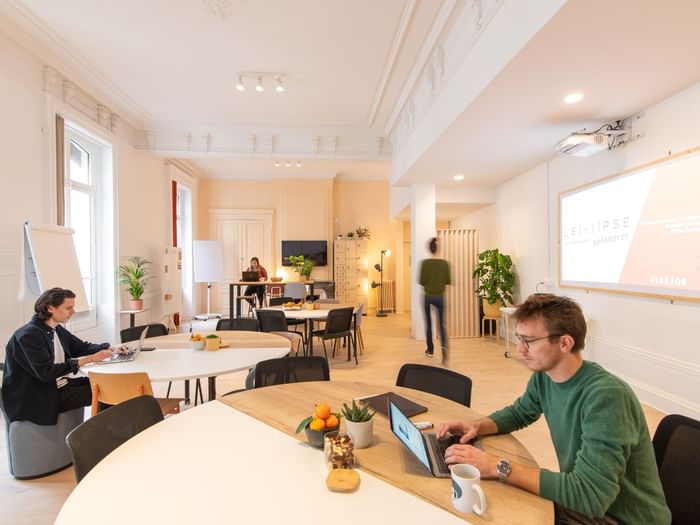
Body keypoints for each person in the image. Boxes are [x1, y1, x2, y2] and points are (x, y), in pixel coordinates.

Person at [437, 294, 671, 525]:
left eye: (528, 341)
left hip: (620, 518)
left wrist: (496, 466)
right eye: (519, 338)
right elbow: (520, 412)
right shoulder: (545, 377)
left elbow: (590, 496)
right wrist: (476, 426)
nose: (520, 349)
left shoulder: (607, 397)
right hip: (587, 506)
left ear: (565, 343)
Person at [2, 287, 128, 425]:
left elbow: (81, 347)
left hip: (56, 385)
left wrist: (110, 348)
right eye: (69, 308)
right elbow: (46, 373)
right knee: (106, 391)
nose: (73, 312)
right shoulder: (29, 336)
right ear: (50, 308)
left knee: (108, 384)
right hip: (35, 396)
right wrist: (90, 359)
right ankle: (105, 432)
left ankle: (109, 430)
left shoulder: (55, 328)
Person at [418, 237, 451, 363]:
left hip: (428, 296)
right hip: (440, 297)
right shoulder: (444, 264)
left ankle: (430, 350)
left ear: (429, 249)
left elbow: (421, 281)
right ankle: (444, 349)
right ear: (438, 248)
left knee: (429, 324)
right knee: (441, 324)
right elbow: (448, 281)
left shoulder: (425, 263)